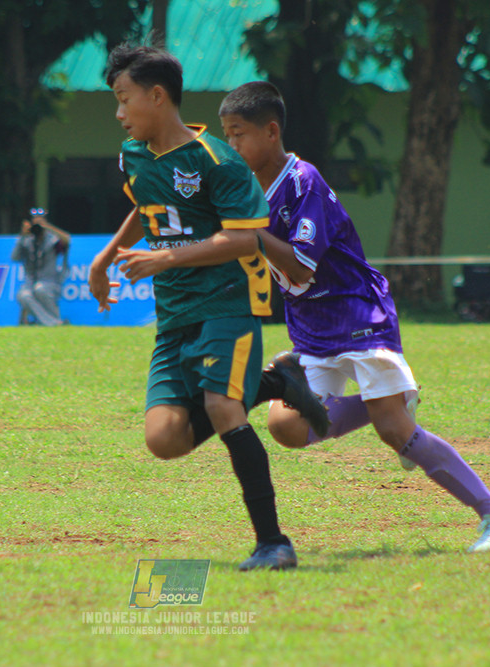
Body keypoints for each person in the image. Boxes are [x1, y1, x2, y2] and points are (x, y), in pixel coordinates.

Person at [218, 81, 490, 553]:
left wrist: (252, 235)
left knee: (394, 431)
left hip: (355, 311)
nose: (231, 145)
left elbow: (300, 265)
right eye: (226, 135)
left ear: (271, 131)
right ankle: (390, 399)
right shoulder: (245, 190)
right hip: (310, 325)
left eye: (238, 134)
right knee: (286, 426)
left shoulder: (303, 182)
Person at [88, 45, 329, 571]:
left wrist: (166, 258)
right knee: (164, 439)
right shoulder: (134, 155)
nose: (119, 112)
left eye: (124, 99)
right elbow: (145, 206)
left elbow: (245, 239)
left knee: (223, 408)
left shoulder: (216, 160)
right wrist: (104, 259)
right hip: (174, 314)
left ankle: (273, 543)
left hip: (227, 302)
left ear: (157, 96)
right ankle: (274, 382)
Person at [12, 208, 70, 326]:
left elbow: (67, 240)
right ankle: (54, 322)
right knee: (23, 295)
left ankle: (50, 321)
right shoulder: (26, 240)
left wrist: (47, 227)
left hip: (50, 282)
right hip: (30, 282)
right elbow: (14, 257)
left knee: (40, 289)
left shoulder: (53, 240)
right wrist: (22, 236)